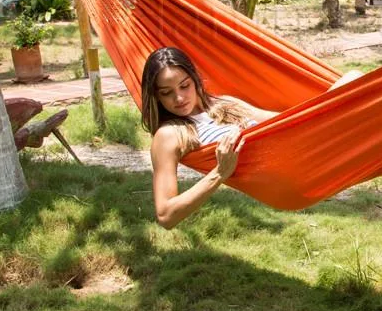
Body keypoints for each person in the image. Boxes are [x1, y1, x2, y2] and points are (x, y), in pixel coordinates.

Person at [141, 47, 362, 229]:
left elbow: (283, 122)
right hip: (290, 177)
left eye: (184, 85)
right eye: (166, 93)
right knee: (353, 88)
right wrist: (219, 173)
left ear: (195, 79)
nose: (179, 98)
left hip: (304, 148)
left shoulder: (225, 104)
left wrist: (319, 115)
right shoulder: (169, 135)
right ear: (156, 96)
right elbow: (166, 216)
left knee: (354, 79)